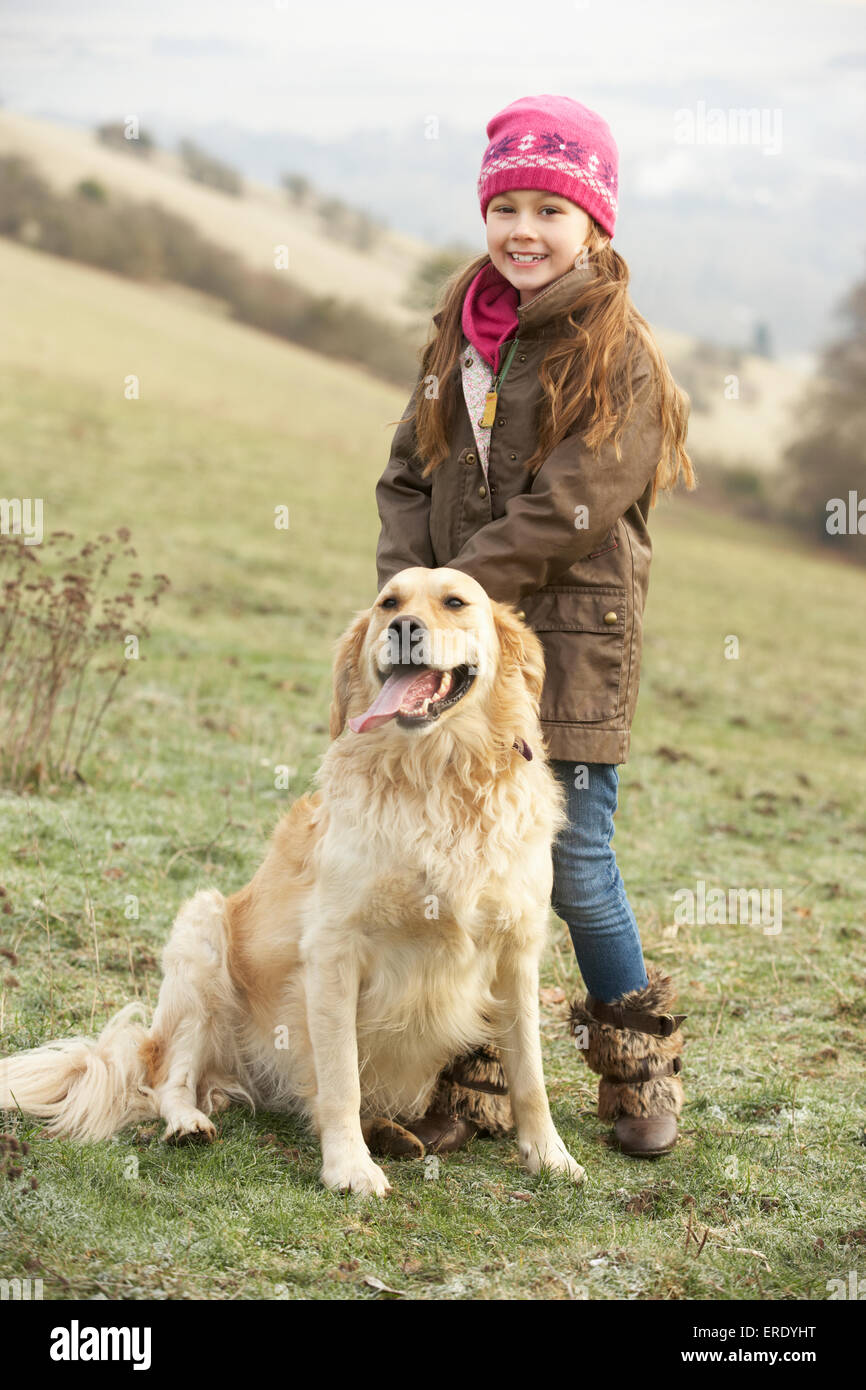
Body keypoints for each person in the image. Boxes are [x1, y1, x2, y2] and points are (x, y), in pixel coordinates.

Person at [370, 94, 695, 1161]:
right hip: (454, 662)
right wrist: (408, 600)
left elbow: (569, 507)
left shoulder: (618, 354)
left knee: (570, 868)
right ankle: (473, 1078)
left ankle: (635, 1064)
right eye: (503, 202)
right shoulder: (454, 335)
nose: (522, 227)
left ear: (593, 222)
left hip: (568, 655)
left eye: (547, 208)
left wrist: (450, 598)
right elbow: (406, 470)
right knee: (456, 857)